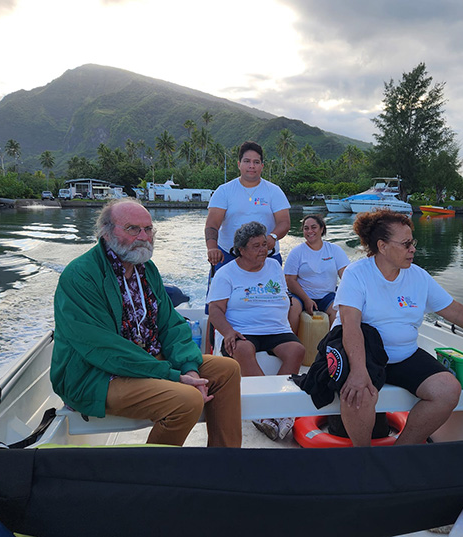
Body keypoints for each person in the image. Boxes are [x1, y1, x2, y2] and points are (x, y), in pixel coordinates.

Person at [50, 198, 241, 447]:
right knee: (186, 401)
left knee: (227, 370)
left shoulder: (146, 269)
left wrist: (189, 368)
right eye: (132, 229)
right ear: (106, 233)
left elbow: (171, 325)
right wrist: (172, 376)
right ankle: (153, 478)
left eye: (148, 229)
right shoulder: (81, 276)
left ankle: (224, 463)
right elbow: (102, 348)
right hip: (97, 374)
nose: (143, 236)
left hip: (147, 361)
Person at [334, 209, 463, 447]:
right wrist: (358, 372)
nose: (413, 249)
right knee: (357, 395)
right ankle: (364, 457)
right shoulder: (356, 275)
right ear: (382, 246)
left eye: (413, 242)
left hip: (404, 355)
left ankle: (401, 452)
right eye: (406, 244)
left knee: (447, 390)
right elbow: (350, 327)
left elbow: (455, 311)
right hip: (364, 354)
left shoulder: (418, 277)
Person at [207, 221, 305, 441]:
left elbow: (282, 297)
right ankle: (268, 409)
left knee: (296, 350)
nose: (264, 250)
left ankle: (276, 406)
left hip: (275, 328)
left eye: (264, 244)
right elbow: (214, 311)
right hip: (242, 329)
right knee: (242, 349)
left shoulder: (273, 266)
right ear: (240, 250)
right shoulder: (226, 273)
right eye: (256, 246)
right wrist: (229, 332)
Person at [204, 141, 290, 272]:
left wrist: (273, 237)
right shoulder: (223, 191)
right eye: (247, 161)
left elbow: (284, 222)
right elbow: (212, 225)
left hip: (266, 255)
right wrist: (212, 248)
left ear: (262, 166)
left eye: (256, 162)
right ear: (239, 164)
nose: (251, 166)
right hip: (228, 255)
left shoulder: (274, 191)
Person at [284, 214, 349, 332]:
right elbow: (289, 280)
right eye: (306, 228)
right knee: (293, 308)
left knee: (339, 312)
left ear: (322, 229)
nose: (310, 231)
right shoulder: (297, 252)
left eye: (313, 227)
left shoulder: (334, 250)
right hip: (301, 295)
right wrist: (306, 299)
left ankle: (332, 346)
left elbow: (346, 276)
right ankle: (291, 341)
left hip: (327, 296)